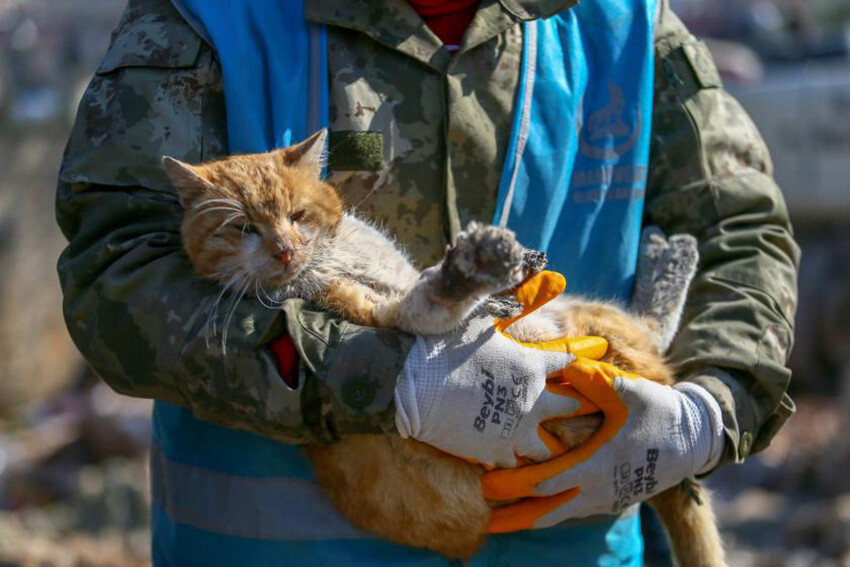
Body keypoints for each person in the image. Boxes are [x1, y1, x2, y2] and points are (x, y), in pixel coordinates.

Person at [56, 0, 800, 564]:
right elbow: (114, 276)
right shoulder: (206, 18)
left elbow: (739, 228)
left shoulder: (626, 19)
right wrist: (374, 375)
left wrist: (713, 408)